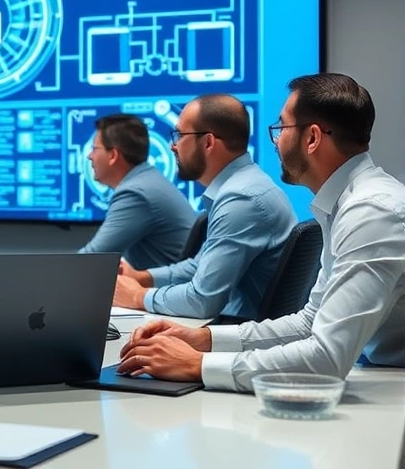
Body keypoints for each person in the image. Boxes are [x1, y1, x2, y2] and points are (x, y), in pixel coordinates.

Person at [118, 73, 405, 391]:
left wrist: (196, 365)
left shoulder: (371, 211)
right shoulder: (345, 205)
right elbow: (309, 322)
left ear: (311, 138)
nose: (276, 140)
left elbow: (326, 358)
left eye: (281, 127)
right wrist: (204, 338)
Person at [112, 94, 296, 320]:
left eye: (179, 135)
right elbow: (199, 266)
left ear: (208, 142)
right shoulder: (244, 186)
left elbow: (203, 300)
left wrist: (138, 297)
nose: (173, 145)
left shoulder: (240, 199)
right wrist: (142, 277)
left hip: (239, 332)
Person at [79, 113, 196, 270]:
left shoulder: (136, 193)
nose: (89, 156)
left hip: (168, 290)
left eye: (94, 149)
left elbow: (91, 259)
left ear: (113, 155)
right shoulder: (148, 180)